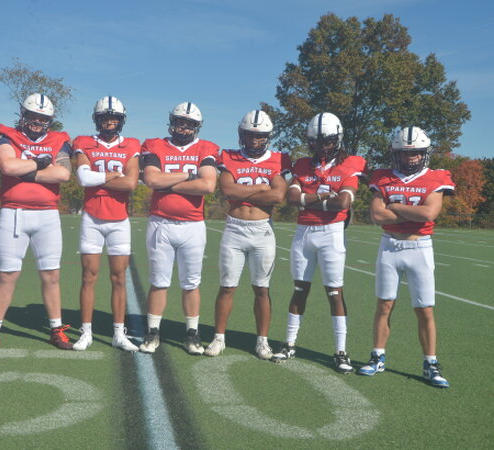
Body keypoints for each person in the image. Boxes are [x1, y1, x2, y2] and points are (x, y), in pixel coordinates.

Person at [358, 127, 454, 388]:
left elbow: (429, 214)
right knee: (384, 305)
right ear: (396, 154)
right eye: (405, 153)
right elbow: (377, 216)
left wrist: (396, 206)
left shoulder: (436, 177)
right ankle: (377, 356)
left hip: (420, 247)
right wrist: (413, 211)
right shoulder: (383, 177)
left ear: (425, 154)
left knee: (424, 309)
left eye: (416, 153)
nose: (411, 158)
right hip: (389, 246)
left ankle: (430, 363)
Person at [0, 93, 74, 352]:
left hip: (48, 214)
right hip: (14, 213)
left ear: (49, 120)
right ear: (23, 115)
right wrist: (40, 164)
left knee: (51, 274)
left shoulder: (58, 139)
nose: (37, 122)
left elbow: (63, 173)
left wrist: (28, 171)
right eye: (32, 116)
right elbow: (8, 166)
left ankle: (56, 329)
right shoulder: (6, 135)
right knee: (7, 274)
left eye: (42, 118)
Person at [272, 112, 366, 373]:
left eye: (328, 140)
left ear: (338, 139)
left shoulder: (350, 163)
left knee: (334, 292)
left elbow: (343, 202)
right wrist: (324, 197)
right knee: (299, 289)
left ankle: (341, 351)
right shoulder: (302, 164)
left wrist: (309, 198)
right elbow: (292, 199)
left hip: (331, 234)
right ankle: (289, 343)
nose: (322, 146)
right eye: (317, 141)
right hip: (304, 233)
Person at [204, 110, 291, 360]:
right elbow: (228, 191)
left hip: (262, 231)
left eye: (260, 136)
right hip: (235, 229)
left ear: (268, 136)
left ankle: (262, 341)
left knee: (262, 288)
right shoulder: (229, 157)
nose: (255, 140)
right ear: (242, 134)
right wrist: (262, 187)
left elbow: (278, 196)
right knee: (227, 287)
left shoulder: (278, 159)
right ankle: (219, 338)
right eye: (250, 135)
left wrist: (245, 191)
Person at [139, 102, 218, 355]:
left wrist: (168, 184)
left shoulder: (205, 148)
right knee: (158, 281)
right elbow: (152, 179)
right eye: (180, 122)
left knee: (191, 283)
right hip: (161, 222)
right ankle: (153, 331)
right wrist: (188, 175)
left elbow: (207, 186)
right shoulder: (155, 145)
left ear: (197, 127)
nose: (184, 128)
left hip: (193, 225)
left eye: (189, 124)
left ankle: (192, 334)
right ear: (172, 123)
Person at [71, 96, 140, 352]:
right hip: (92, 217)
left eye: (114, 118)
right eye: (105, 118)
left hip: (119, 220)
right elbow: (83, 178)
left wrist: (97, 178)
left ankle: (118, 334)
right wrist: (111, 175)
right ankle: (86, 332)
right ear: (96, 119)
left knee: (119, 277)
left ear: (121, 120)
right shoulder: (84, 142)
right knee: (88, 276)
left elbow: (130, 183)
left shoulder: (131, 144)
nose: (109, 122)